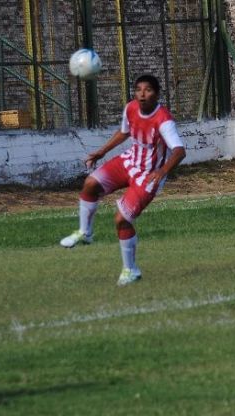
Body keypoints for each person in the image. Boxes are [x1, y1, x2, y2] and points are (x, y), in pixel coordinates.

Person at [60, 75, 186, 286]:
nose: (142, 94)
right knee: (90, 184)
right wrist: (101, 152)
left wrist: (161, 172)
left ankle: (131, 270)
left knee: (121, 219)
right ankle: (85, 232)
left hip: (148, 176)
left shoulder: (164, 120)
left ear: (157, 94)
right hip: (129, 162)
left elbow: (180, 151)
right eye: (138, 90)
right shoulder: (130, 108)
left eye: (148, 90)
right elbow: (124, 132)